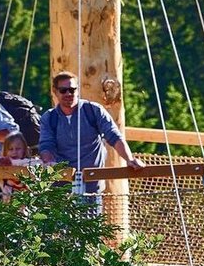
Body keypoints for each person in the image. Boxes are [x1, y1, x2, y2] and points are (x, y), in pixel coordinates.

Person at [38, 71, 144, 216]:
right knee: (60, 234)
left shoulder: (93, 111)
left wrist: (130, 159)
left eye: (72, 89)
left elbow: (114, 136)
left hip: (92, 187)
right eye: (63, 90)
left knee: (90, 232)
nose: (68, 93)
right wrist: (49, 162)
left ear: (77, 90)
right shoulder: (49, 118)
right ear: (55, 92)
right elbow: (46, 145)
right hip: (61, 188)